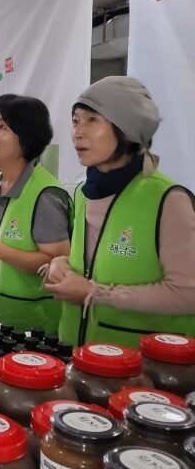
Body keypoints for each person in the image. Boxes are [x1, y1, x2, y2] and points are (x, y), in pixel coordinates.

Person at [45, 77, 195, 347]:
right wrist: (60, 264)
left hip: (141, 370)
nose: (78, 132)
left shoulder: (168, 199)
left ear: (127, 128)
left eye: (92, 120)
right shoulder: (83, 193)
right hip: (77, 357)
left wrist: (94, 293)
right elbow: (95, 263)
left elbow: (187, 293)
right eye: (76, 120)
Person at [0, 94, 72, 335]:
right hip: (6, 321)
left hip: (39, 330)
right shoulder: (0, 182)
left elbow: (55, 263)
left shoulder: (45, 194)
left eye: (3, 127)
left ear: (27, 136)